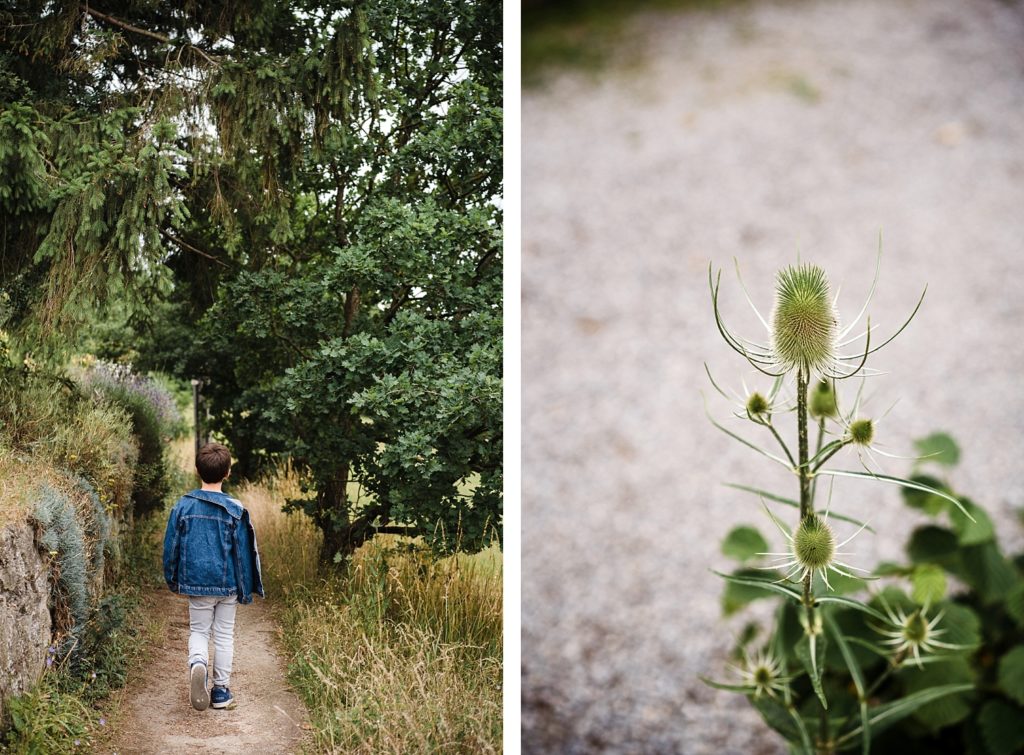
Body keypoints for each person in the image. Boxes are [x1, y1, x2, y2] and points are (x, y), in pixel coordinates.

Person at [162, 442, 264, 711]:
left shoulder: (182, 507)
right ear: (228, 473)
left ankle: (198, 663)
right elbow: (242, 553)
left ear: (197, 470)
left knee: (198, 630)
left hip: (196, 583)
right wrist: (245, 588)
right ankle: (220, 692)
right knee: (224, 635)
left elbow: (171, 546)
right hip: (227, 584)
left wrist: (173, 578)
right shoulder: (235, 509)